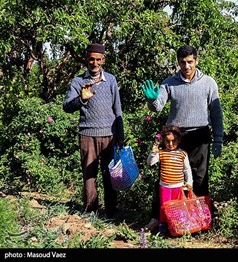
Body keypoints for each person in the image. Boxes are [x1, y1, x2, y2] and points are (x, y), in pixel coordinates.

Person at [141, 44, 224, 232]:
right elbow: (158, 106)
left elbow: (216, 113)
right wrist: (152, 100)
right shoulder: (169, 82)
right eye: (182, 62)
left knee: (200, 178)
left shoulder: (208, 83)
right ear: (178, 62)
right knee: (167, 177)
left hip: (200, 135)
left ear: (196, 60)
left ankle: (201, 221)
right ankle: (158, 219)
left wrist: (218, 139)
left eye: (190, 62)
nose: (186, 66)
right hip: (175, 137)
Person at [63, 43, 125, 218]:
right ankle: (91, 210)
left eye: (98, 59)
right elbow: (67, 106)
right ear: (86, 59)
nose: (95, 63)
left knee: (111, 174)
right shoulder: (78, 81)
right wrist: (81, 99)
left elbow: (117, 108)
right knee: (89, 174)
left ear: (103, 60)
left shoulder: (111, 80)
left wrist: (120, 135)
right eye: (91, 59)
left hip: (109, 135)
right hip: (87, 134)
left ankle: (112, 211)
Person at [146, 125, 193, 235]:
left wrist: (189, 182)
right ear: (163, 140)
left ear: (179, 140)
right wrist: (153, 152)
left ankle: (178, 227)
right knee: (164, 208)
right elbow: (150, 163)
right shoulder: (161, 153)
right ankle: (164, 227)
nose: (170, 144)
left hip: (178, 187)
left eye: (174, 141)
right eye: (167, 141)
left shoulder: (182, 154)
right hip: (165, 187)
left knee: (178, 208)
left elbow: (187, 170)